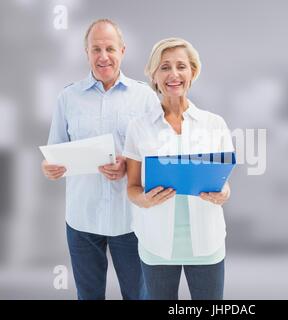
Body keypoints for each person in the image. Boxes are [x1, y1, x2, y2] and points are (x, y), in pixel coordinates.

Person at [41, 19, 159, 300]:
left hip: (130, 220)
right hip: (83, 219)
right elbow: (53, 151)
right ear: (87, 52)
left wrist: (129, 166)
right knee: (88, 296)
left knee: (139, 295)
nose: (103, 56)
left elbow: (157, 159)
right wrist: (49, 168)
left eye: (110, 48)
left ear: (122, 51)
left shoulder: (145, 98)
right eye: (96, 49)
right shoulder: (68, 98)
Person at [124, 38, 234, 300]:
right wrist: (144, 200)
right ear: (153, 75)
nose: (173, 74)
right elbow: (132, 188)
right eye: (164, 67)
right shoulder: (139, 127)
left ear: (192, 72)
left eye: (181, 66)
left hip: (207, 242)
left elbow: (224, 181)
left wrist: (224, 193)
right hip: (157, 244)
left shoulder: (214, 123)